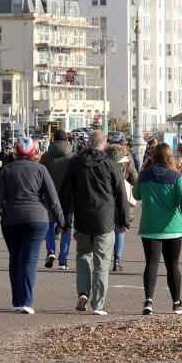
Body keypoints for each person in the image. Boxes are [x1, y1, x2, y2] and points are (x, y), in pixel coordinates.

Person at [0, 136, 64, 314]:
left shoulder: (7, 171)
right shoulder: (41, 169)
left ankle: (17, 301)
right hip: (37, 219)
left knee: (15, 259)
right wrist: (61, 221)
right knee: (29, 260)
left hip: (11, 220)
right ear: (34, 152)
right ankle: (26, 302)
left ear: (16, 152)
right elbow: (53, 199)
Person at [59, 130, 129, 316]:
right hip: (105, 219)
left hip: (82, 218)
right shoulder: (112, 165)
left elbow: (65, 193)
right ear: (104, 145)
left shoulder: (75, 163)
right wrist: (124, 220)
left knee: (83, 255)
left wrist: (63, 218)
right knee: (102, 262)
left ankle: (83, 292)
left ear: (87, 143)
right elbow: (121, 195)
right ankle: (98, 304)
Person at [133, 143, 182, 316]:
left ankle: (148, 302)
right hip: (172, 227)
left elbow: (135, 195)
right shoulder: (176, 177)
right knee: (172, 265)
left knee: (151, 263)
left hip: (149, 227)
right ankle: (176, 303)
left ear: (153, 156)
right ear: (170, 157)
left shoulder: (144, 175)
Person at [39, 130, 74, 270]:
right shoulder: (73, 157)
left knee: (50, 225)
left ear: (53, 139)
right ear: (67, 140)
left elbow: (40, 176)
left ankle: (50, 251)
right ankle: (63, 260)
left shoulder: (46, 157)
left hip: (50, 197)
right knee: (66, 227)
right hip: (68, 199)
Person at [106, 141, 138, 272]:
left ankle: (104, 259)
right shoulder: (127, 161)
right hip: (122, 200)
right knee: (120, 229)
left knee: (105, 230)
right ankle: (117, 260)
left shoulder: (103, 158)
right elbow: (136, 181)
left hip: (105, 199)